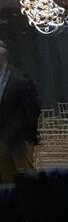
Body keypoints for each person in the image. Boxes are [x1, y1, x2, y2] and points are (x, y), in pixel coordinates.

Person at [0, 39, 39, 183]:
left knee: (26, 180)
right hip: (2, 141)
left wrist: (30, 139)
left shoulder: (20, 80)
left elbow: (32, 110)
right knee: (6, 182)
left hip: (18, 141)